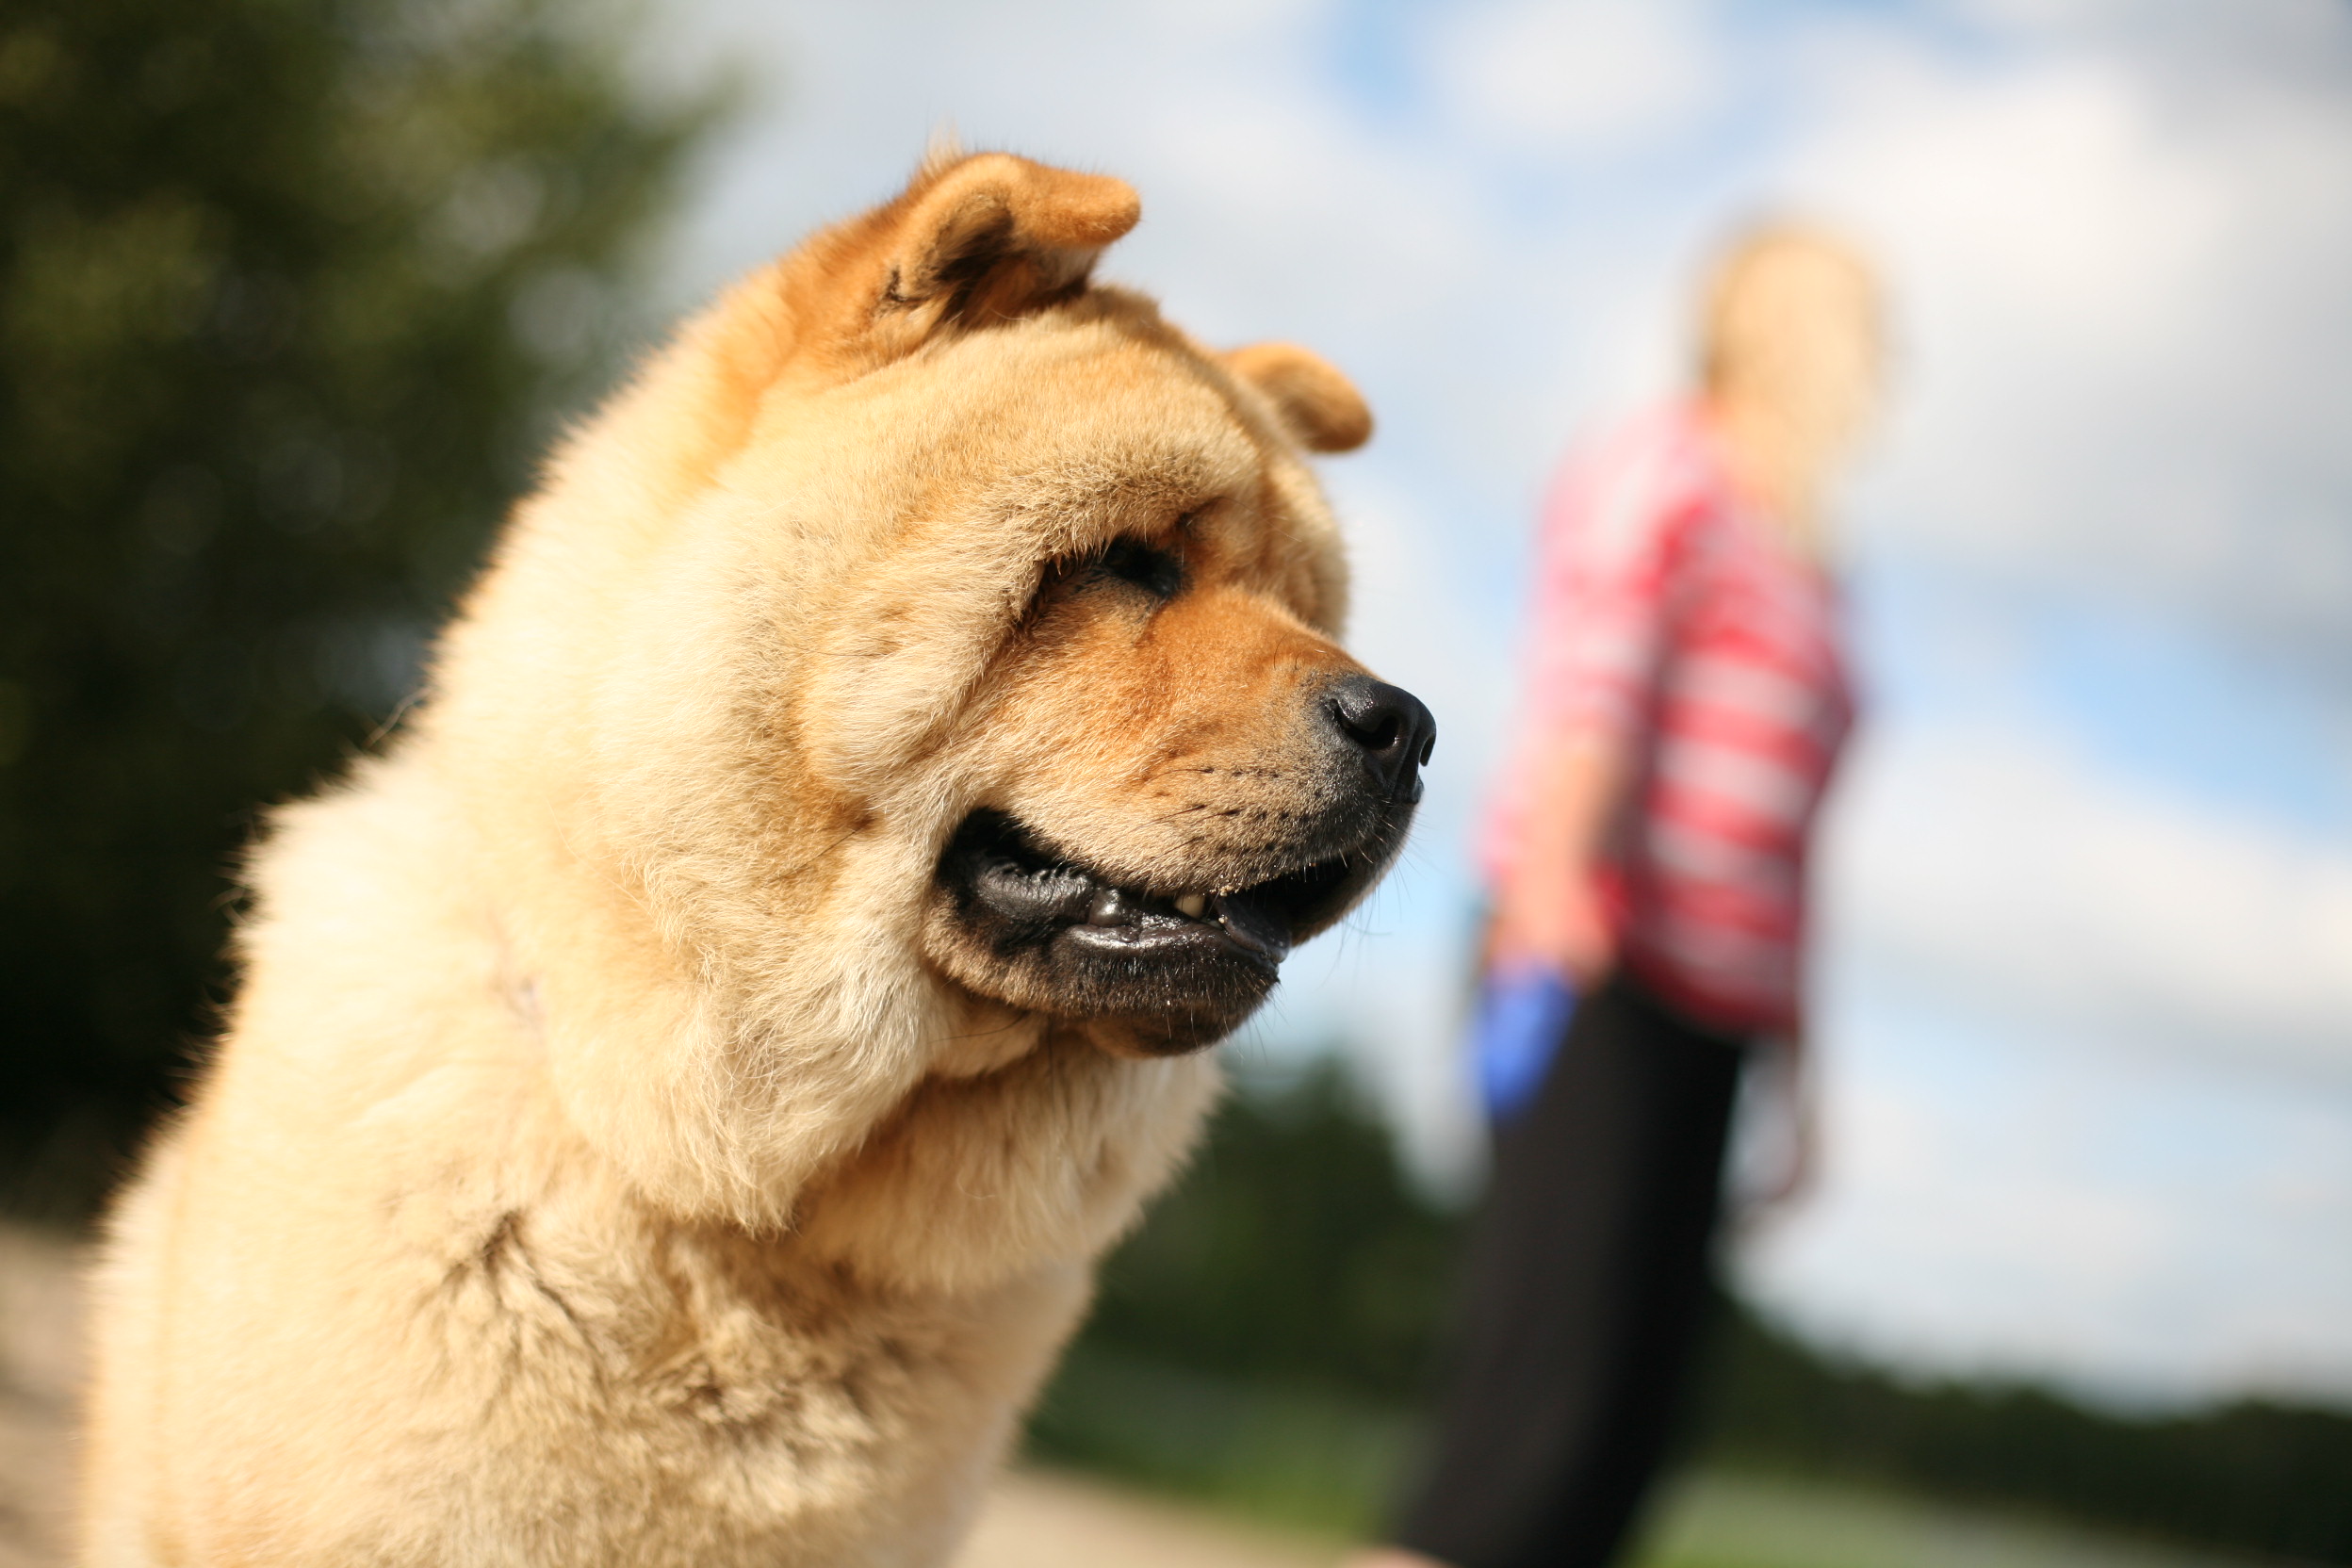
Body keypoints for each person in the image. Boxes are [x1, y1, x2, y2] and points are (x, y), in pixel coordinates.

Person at [1348, 225, 1885, 1568]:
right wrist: (1552, 903)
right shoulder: (1666, 465)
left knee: (1622, 1435)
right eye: (1873, 328)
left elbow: (1799, 837)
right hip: (1598, 960)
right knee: (1531, 1412)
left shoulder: (1816, 556)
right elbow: (1596, 690)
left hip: (1723, 1008)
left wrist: (1802, 1069)